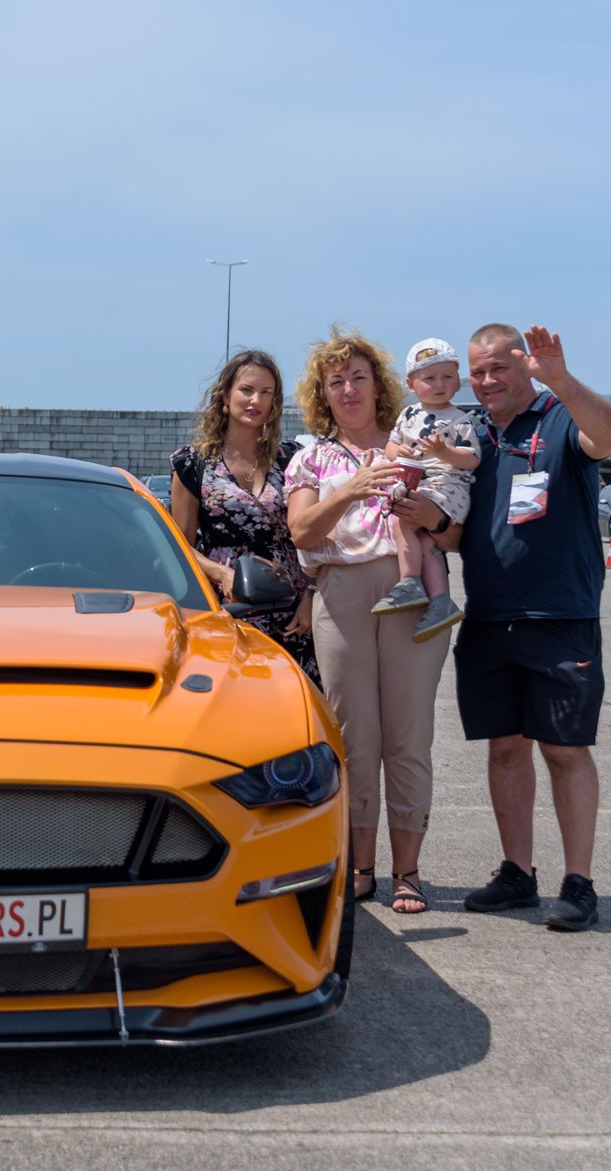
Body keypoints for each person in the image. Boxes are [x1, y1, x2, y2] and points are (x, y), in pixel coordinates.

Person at [404, 324, 611, 931]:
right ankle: (517, 873)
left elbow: (610, 436)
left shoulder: (559, 418)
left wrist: (562, 379)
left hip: (560, 616)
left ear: (524, 366)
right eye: (477, 372)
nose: (487, 381)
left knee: (564, 749)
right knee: (504, 749)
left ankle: (579, 883)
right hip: (490, 615)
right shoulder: (472, 435)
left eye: (499, 367)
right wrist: (429, 518)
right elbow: (460, 531)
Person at [284, 330, 451, 913]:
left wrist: (434, 514)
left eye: (358, 377)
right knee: (355, 738)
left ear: (379, 386)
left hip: (412, 588)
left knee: (409, 735)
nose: (349, 389)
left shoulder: (416, 445)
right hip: (341, 591)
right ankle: (360, 866)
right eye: (336, 382)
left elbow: (454, 524)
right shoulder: (310, 458)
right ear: (322, 395)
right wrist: (351, 489)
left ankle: (408, 871)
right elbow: (302, 531)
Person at [169, 350, 318, 683]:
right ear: (226, 394)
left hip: (292, 608)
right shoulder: (193, 463)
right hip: (229, 606)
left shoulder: (292, 459)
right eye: (247, 390)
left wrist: (311, 596)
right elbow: (180, 545)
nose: (256, 401)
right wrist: (221, 573)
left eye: (266, 393)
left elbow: (313, 536)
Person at [372, 339, 478, 642]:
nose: (439, 384)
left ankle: (409, 582)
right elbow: (391, 445)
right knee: (425, 541)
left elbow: (472, 458)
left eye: (447, 377)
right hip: (421, 483)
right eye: (430, 378)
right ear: (411, 384)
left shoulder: (460, 419)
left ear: (458, 381)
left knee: (401, 520)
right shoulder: (408, 415)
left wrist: (445, 452)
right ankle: (441, 600)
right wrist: (398, 451)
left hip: (447, 487)